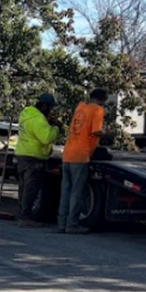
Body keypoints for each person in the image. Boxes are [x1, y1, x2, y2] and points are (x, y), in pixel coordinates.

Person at [59, 88, 108, 234]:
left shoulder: (80, 107)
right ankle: (72, 224)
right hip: (80, 155)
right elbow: (95, 131)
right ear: (102, 100)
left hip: (67, 154)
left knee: (66, 191)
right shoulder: (97, 110)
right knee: (76, 192)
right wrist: (108, 133)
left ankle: (61, 223)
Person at [14, 93, 61, 228]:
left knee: (24, 187)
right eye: (50, 108)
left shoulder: (27, 114)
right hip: (34, 157)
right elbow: (46, 137)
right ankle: (25, 217)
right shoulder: (38, 119)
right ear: (45, 105)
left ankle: (22, 213)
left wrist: (47, 124)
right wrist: (56, 128)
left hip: (22, 154)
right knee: (31, 188)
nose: (50, 111)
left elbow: (34, 131)